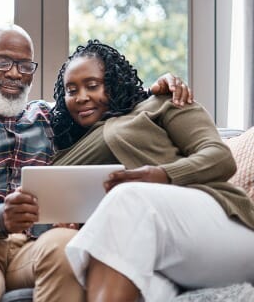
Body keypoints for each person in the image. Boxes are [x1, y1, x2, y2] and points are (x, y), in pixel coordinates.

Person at [0, 25, 191, 302]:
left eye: (24, 65)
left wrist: (156, 91)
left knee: (68, 249)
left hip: (35, 245)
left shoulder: (51, 117)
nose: (14, 73)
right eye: (2, 62)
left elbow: (108, 108)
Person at [50, 40, 254, 302]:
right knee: (95, 253)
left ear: (114, 81)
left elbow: (220, 158)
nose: (81, 97)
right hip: (157, 253)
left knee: (127, 197)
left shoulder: (161, 102)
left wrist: (163, 175)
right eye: (71, 90)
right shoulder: (69, 147)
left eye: (92, 85)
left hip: (223, 228)